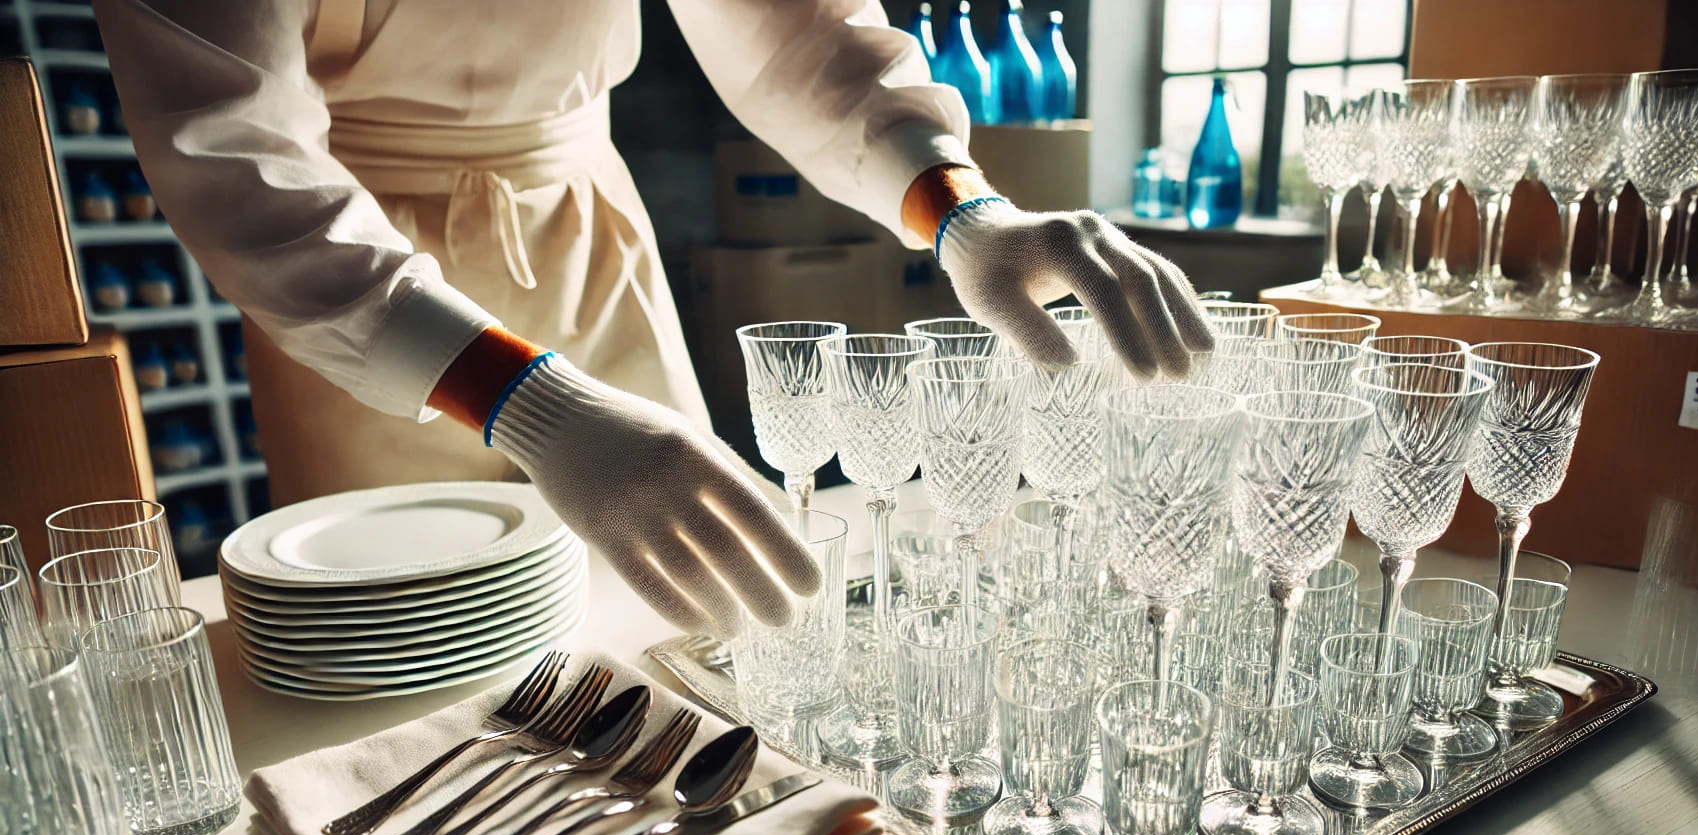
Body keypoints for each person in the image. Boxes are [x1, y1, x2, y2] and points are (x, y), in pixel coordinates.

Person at [93, 0, 1214, 638]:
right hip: (359, 279)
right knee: (418, 643)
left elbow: (799, 33)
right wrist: (520, 397)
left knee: (685, 620)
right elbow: (230, 143)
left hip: (585, 217)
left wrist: (958, 207)